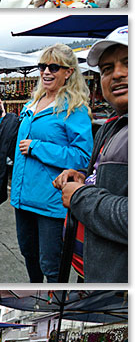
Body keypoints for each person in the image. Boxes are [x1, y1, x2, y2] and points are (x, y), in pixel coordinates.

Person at [10, 45, 93, 282]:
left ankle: (54, 301)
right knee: (29, 255)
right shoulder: (33, 104)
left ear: (68, 72)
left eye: (53, 67)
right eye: (42, 66)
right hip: (22, 199)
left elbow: (83, 157)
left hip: (50, 202)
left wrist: (39, 148)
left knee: (51, 264)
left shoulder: (73, 109)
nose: (46, 72)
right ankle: (35, 293)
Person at [54, 27, 128, 283]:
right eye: (107, 69)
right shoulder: (113, 125)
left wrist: (80, 195)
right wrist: (85, 178)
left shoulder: (76, 111)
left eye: (128, 63)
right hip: (94, 270)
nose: (117, 74)